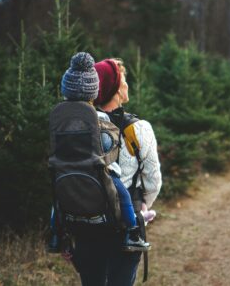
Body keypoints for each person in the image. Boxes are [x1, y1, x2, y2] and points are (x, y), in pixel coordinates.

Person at [72, 57, 162, 286]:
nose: (127, 85)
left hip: (86, 224)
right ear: (115, 88)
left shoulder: (80, 126)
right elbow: (153, 180)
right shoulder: (138, 128)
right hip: (123, 225)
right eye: (123, 80)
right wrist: (142, 207)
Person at [48, 52, 150, 254]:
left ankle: (55, 234)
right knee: (121, 193)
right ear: (93, 92)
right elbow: (107, 142)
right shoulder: (98, 116)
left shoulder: (59, 114)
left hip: (63, 166)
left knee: (57, 199)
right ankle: (132, 232)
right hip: (96, 166)